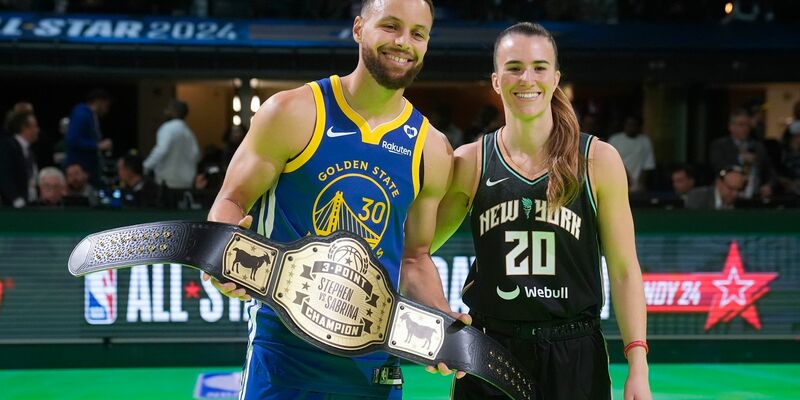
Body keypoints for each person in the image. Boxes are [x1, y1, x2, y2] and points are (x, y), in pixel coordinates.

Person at [203, 1, 468, 399]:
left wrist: (440, 316)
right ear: (359, 28)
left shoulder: (431, 148)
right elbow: (233, 200)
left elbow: (414, 257)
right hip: (284, 356)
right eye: (390, 26)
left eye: (418, 33)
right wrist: (220, 254)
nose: (403, 42)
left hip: (374, 364)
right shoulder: (292, 111)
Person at [434, 22, 651, 400]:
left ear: (555, 78)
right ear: (496, 81)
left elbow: (624, 270)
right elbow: (418, 250)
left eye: (539, 66)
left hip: (574, 352)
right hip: (489, 352)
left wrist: (638, 366)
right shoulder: (470, 161)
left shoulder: (597, 159)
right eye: (514, 67)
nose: (527, 78)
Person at [143, 99, 200, 190]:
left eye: (168, 109)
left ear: (174, 112)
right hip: (185, 183)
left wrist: (145, 167)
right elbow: (196, 155)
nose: (165, 111)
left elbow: (161, 150)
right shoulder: (189, 132)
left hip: (167, 182)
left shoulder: (167, 128)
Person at [63, 89, 113, 186]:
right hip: (80, 168)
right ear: (99, 102)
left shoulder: (90, 116)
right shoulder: (81, 114)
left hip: (89, 168)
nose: (107, 109)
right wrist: (97, 146)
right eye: (106, 105)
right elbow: (72, 140)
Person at [0, 112, 40, 208]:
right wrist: (15, 199)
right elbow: (4, 175)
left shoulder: (28, 149)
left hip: (30, 203)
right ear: (24, 128)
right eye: (35, 126)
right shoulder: (8, 147)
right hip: (15, 207)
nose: (38, 130)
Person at [608, 115, 656, 193]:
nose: (632, 127)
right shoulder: (615, 140)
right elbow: (612, 163)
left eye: (635, 125)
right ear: (624, 125)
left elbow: (648, 164)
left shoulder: (645, 141)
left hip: (638, 187)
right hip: (618, 184)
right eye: (630, 124)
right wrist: (625, 179)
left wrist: (640, 184)